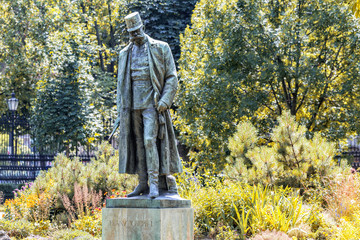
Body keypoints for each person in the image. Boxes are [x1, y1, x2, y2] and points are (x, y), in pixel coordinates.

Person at [116, 12, 182, 198]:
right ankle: (142, 183)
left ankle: (155, 183)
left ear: (142, 27)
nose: (135, 36)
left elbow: (172, 77)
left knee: (149, 140)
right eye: (131, 33)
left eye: (137, 31)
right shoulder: (124, 54)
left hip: (152, 104)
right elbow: (121, 86)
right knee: (138, 144)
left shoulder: (160, 48)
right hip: (131, 105)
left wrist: (164, 101)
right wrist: (119, 112)